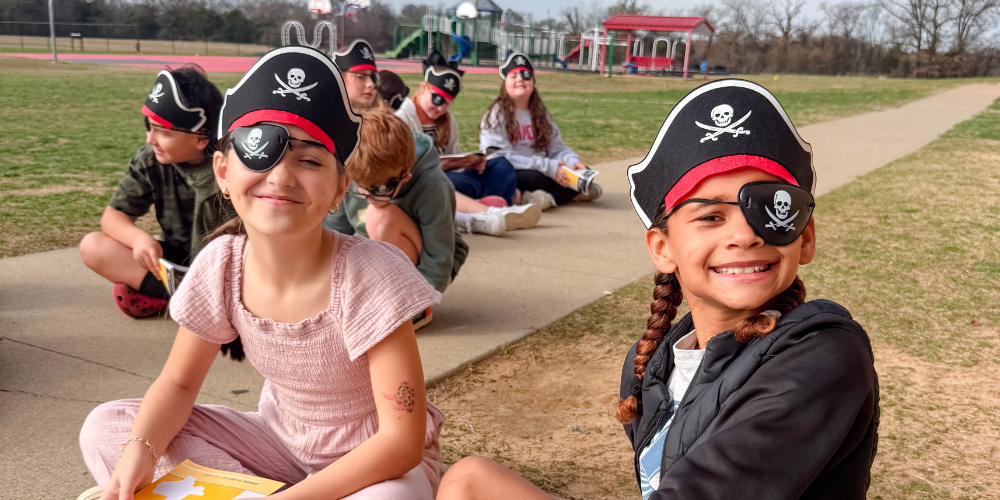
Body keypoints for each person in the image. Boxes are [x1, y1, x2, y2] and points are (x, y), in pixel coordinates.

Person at [437, 79, 879, 500]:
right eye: (710, 216)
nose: (745, 236)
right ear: (662, 248)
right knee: (469, 479)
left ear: (803, 237)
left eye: (771, 207)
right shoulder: (649, 365)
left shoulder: (824, 355)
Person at [76, 46, 445, 500]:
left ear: (338, 189)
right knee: (109, 427)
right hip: (276, 447)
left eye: (310, 160)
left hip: (374, 465)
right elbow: (178, 383)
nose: (282, 177)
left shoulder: (371, 273)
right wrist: (141, 450)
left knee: (394, 497)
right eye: (259, 149)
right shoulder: (223, 264)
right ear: (224, 173)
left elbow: (401, 443)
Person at [78, 66, 228, 318]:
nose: (150, 139)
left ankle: (192, 301)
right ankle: (191, 298)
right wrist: (138, 239)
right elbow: (113, 218)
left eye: (164, 132)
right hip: (178, 261)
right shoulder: (150, 160)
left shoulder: (233, 166)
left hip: (228, 265)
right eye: (149, 127)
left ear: (202, 138)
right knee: (93, 245)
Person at [325, 107, 468, 329]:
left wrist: (417, 301)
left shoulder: (432, 185)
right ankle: (380, 298)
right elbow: (332, 240)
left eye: (378, 189)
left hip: (430, 268)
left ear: (405, 176)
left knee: (379, 216)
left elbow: (439, 261)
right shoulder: (354, 172)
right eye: (360, 187)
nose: (366, 196)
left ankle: (412, 308)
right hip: (381, 261)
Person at [395, 51, 540, 235]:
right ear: (424, 88)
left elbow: (454, 154)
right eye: (437, 99)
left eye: (447, 103)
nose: (441, 108)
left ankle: (475, 203)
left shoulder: (448, 122)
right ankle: (491, 208)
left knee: (502, 166)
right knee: (437, 182)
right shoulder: (401, 120)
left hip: (450, 178)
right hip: (421, 182)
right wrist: (443, 165)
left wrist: (468, 161)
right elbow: (405, 170)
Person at [479, 52, 602, 211]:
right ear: (504, 84)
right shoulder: (497, 114)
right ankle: (565, 195)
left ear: (533, 83)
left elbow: (556, 148)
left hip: (545, 168)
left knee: (585, 172)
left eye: (525, 75)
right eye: (513, 76)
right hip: (518, 171)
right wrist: (547, 167)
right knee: (531, 179)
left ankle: (542, 198)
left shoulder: (540, 114)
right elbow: (498, 157)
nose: (520, 80)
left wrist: (572, 162)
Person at [333, 39, 380, 111]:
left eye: (373, 77)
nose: (371, 84)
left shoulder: (385, 121)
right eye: (360, 76)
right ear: (339, 79)